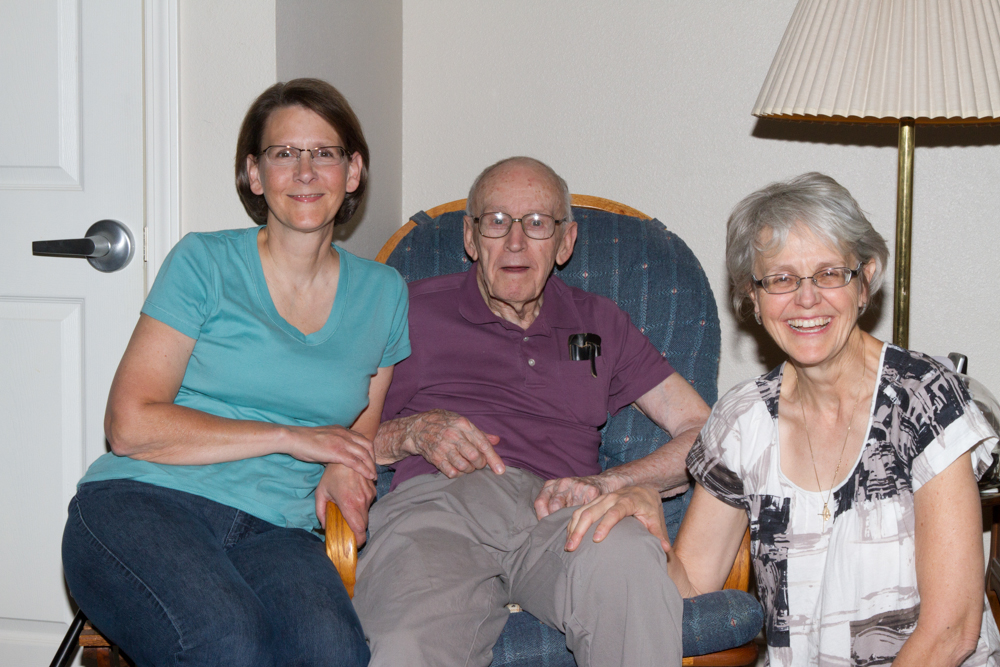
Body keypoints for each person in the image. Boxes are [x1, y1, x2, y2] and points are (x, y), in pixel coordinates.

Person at [570, 172, 1000, 666]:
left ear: (866, 280)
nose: (806, 298)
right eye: (780, 279)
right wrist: (643, 532)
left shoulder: (923, 398)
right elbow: (690, 584)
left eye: (829, 273)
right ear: (752, 297)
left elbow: (953, 631)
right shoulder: (742, 421)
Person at [61, 78, 409, 666]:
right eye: (283, 153)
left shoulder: (384, 293)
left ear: (353, 173)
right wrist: (290, 438)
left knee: (333, 653)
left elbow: (355, 442)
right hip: (145, 500)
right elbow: (129, 426)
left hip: (279, 528)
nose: (304, 171)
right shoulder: (204, 262)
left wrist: (347, 477)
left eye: (323, 153)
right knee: (224, 637)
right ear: (255, 174)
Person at [352, 156, 712, 666]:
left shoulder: (600, 323)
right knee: (408, 643)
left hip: (564, 515)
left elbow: (704, 433)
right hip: (441, 508)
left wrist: (613, 485)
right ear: (471, 239)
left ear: (565, 242)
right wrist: (412, 431)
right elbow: (338, 436)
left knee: (629, 560)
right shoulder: (406, 310)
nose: (515, 241)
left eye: (537, 223)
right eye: (497, 221)